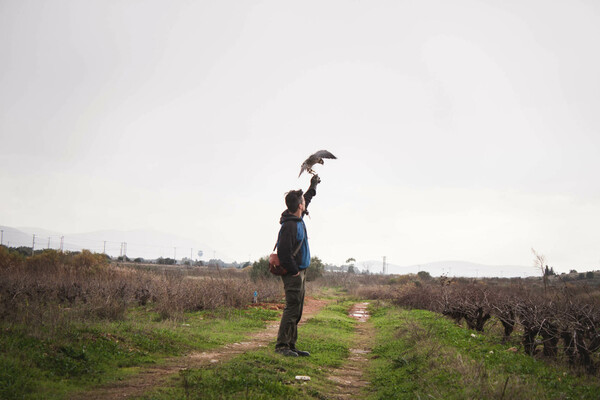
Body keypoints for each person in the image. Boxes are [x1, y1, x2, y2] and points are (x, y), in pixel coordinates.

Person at [275, 174, 321, 357]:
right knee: (292, 307)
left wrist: (313, 185)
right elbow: (283, 252)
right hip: (294, 273)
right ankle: (282, 346)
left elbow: (308, 197)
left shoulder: (297, 216)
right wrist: (294, 271)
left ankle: (291, 345)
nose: (305, 202)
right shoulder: (290, 226)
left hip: (300, 271)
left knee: (298, 309)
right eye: (302, 201)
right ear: (299, 206)